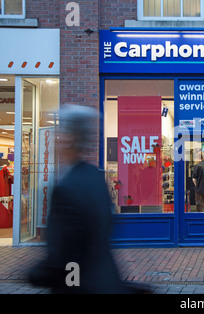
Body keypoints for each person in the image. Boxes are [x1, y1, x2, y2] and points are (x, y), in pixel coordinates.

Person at [28, 105, 129, 294]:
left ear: (68, 139)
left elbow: (68, 256)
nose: (56, 141)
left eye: (59, 135)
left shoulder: (66, 189)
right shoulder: (97, 178)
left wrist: (35, 274)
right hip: (108, 282)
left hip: (84, 287)